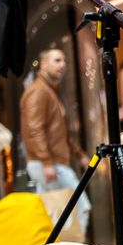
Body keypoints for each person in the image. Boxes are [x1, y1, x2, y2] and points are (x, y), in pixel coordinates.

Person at [21, 48, 90, 234]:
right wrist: (46, 162)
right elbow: (34, 129)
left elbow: (61, 134)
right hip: (49, 163)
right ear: (43, 64)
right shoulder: (38, 92)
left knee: (51, 214)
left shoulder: (50, 91)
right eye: (57, 60)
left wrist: (80, 155)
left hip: (50, 162)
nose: (63, 65)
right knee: (80, 206)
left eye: (64, 61)